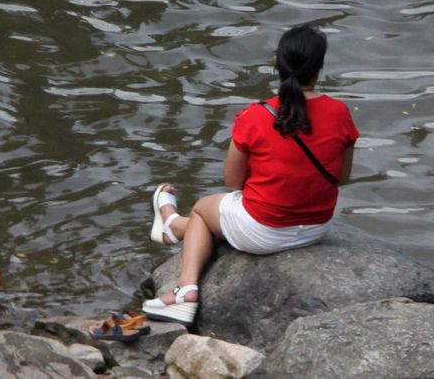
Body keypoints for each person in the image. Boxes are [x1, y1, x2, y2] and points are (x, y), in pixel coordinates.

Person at [143, 24, 360, 325]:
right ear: (319, 68)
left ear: (276, 63)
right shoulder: (339, 112)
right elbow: (342, 176)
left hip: (264, 233)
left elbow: (233, 181)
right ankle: (170, 227)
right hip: (315, 228)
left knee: (204, 210)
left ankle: (185, 289)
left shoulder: (256, 116)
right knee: (219, 212)